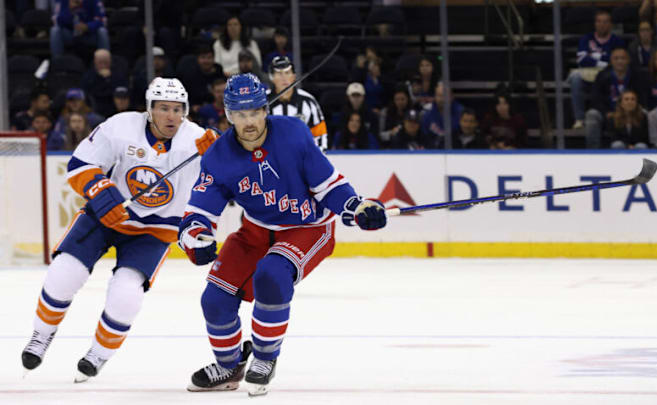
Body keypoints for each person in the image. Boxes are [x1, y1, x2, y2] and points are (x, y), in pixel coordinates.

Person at [178, 73, 387, 396]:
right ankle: (229, 365)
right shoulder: (218, 156)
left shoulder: (293, 133)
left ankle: (264, 357)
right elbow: (200, 211)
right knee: (215, 299)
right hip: (256, 231)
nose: (249, 122)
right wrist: (195, 237)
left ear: (265, 109)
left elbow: (328, 184)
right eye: (240, 114)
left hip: (308, 228)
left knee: (272, 275)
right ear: (229, 116)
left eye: (255, 112)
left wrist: (355, 207)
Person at [20, 78, 219, 382]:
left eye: (177, 109)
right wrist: (102, 192)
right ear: (149, 109)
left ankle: (98, 353)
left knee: (126, 295)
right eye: (163, 108)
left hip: (155, 231)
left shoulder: (198, 140)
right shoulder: (121, 126)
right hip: (106, 216)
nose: (171, 116)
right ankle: (41, 336)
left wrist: (222, 152)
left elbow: (233, 175)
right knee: (63, 272)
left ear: (186, 111)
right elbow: (80, 163)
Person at [567, 10, 625, 129]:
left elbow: (617, 61)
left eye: (605, 22)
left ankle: (619, 115)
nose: (602, 24)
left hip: (607, 75)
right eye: (599, 21)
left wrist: (593, 56)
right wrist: (603, 60)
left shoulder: (616, 41)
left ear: (610, 24)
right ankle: (579, 118)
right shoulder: (586, 39)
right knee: (575, 77)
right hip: (589, 73)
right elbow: (582, 59)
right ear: (595, 23)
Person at [585, 47, 649, 149]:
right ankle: (593, 152)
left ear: (628, 60)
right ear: (611, 60)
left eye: (623, 58)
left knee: (646, 113)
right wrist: (606, 112)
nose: (620, 61)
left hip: (632, 112)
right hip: (609, 115)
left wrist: (635, 109)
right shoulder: (602, 76)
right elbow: (596, 99)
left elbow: (643, 96)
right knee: (592, 114)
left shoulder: (637, 75)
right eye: (616, 58)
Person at [267, 56, 328, 151]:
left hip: (301, 161)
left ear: (294, 76)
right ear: (272, 77)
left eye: (287, 73)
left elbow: (319, 134)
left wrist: (317, 159)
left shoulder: (308, 101)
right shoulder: (261, 102)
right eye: (279, 73)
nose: (284, 78)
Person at [81, 49, 129, 118]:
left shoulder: (118, 74)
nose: (103, 65)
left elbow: (123, 89)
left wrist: (110, 78)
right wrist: (100, 78)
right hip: (96, 107)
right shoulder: (88, 76)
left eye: (106, 62)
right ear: (95, 62)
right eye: (100, 62)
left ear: (110, 61)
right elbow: (86, 91)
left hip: (115, 108)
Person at [420, 82, 464, 148]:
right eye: (439, 96)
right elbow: (424, 137)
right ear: (435, 97)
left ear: (452, 97)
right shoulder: (427, 115)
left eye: (445, 96)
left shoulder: (461, 113)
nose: (442, 99)